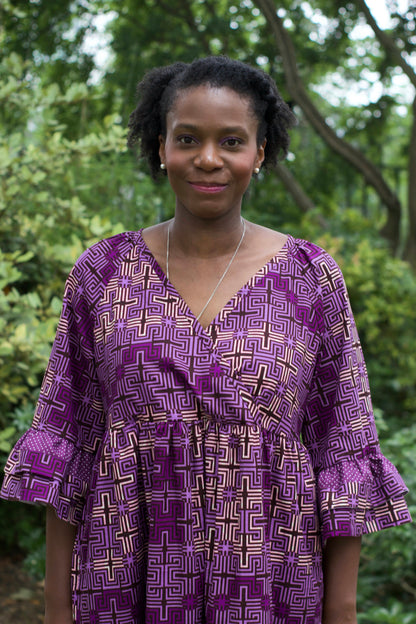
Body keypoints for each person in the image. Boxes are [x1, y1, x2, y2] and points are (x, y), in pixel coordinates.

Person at [0, 56, 411, 624]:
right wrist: (55, 607)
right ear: (160, 145)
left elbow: (340, 449)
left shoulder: (310, 277)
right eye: (188, 138)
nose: (209, 159)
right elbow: (70, 441)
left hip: (269, 582)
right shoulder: (104, 272)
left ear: (260, 152)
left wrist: (341, 608)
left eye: (232, 141)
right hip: (125, 578)